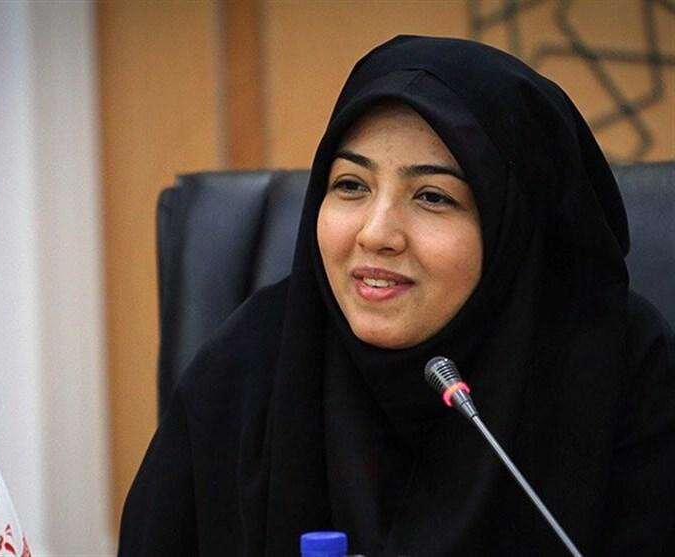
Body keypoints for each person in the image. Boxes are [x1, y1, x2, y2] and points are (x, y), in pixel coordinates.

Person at [118, 36, 675, 556]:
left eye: (432, 196)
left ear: (516, 228)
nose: (376, 233)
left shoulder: (625, 371)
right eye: (351, 186)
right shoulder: (243, 370)